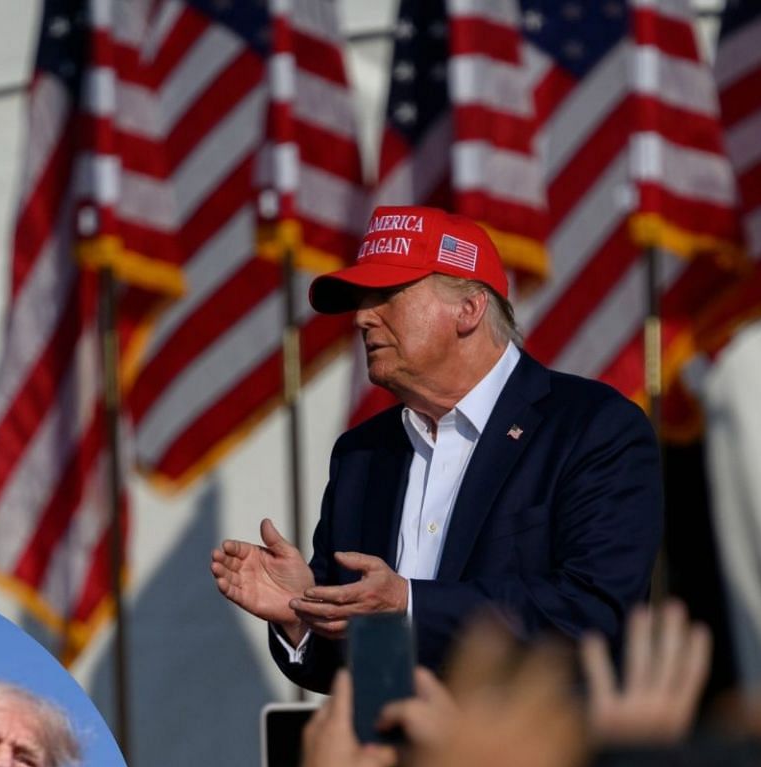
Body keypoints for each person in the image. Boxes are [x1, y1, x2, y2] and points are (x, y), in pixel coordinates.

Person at [211, 206, 662, 693]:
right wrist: (304, 616)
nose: (363, 316)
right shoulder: (362, 455)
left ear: (468, 309)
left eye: (387, 294)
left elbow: (592, 616)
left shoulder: (592, 427)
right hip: (399, 766)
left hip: (537, 763)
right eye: (363, 298)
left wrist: (409, 606)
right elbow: (355, 670)